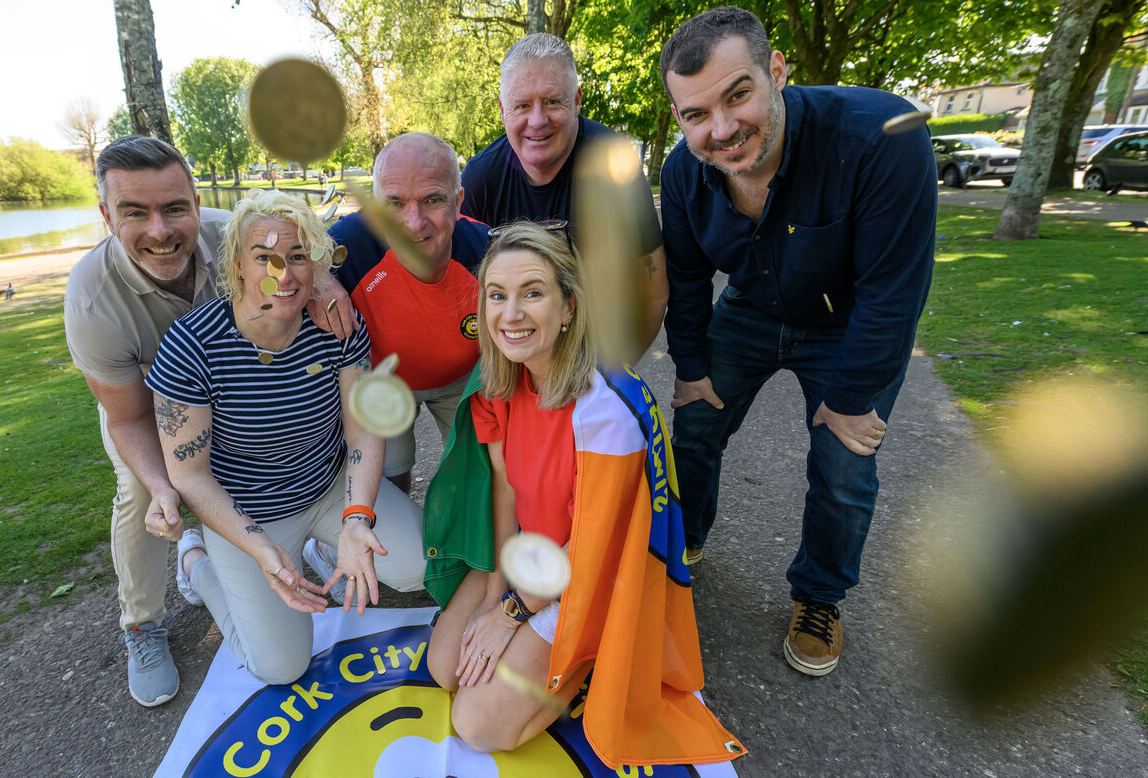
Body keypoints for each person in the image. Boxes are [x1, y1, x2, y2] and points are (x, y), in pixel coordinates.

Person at [658, 7, 937, 677]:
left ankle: (819, 596)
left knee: (844, 464)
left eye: (738, 95)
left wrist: (850, 399)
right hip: (751, 308)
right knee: (694, 424)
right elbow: (688, 282)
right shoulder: (682, 172)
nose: (721, 129)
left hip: (850, 322)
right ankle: (682, 541)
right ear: (679, 118)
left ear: (776, 71)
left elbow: (892, 293)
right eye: (696, 115)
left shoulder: (882, 137)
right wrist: (691, 368)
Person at [422, 222, 743, 768]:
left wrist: (510, 614)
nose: (511, 314)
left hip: (591, 577)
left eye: (532, 293)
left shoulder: (604, 409)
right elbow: (505, 490)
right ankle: (539, 653)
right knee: (444, 667)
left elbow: (594, 549)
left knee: (477, 724)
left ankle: (592, 657)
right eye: (497, 295)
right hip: (535, 559)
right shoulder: (505, 376)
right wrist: (497, 589)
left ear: (569, 306)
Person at [63, 136, 357, 707]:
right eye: (134, 212)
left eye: (174, 208)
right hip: (145, 406)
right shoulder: (91, 299)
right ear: (106, 215)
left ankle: (296, 534)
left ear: (197, 204)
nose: (160, 230)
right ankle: (147, 618)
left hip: (227, 395)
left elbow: (300, 250)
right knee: (144, 496)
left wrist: (323, 281)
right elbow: (126, 418)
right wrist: (162, 487)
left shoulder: (234, 232)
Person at [144, 190, 426, 685]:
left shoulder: (337, 326)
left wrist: (357, 518)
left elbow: (363, 428)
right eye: (264, 257)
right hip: (248, 513)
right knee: (280, 668)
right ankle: (197, 564)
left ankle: (327, 545)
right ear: (237, 264)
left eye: (298, 256)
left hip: (328, 488)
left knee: (421, 567)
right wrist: (259, 547)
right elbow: (189, 475)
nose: (285, 274)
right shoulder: (191, 347)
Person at [461, 33, 668, 348]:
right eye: (522, 105)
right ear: (502, 110)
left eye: (552, 101)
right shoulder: (480, 179)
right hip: (514, 352)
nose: (537, 121)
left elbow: (652, 289)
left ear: (577, 101)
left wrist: (617, 368)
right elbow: (464, 290)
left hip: (596, 348)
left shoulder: (614, 166)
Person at [326, 133, 489, 495]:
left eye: (433, 199)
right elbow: (289, 267)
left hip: (462, 378)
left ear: (458, 202)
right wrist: (320, 280)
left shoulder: (488, 251)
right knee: (387, 473)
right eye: (395, 203)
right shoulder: (345, 244)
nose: (414, 223)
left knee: (479, 471)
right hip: (383, 376)